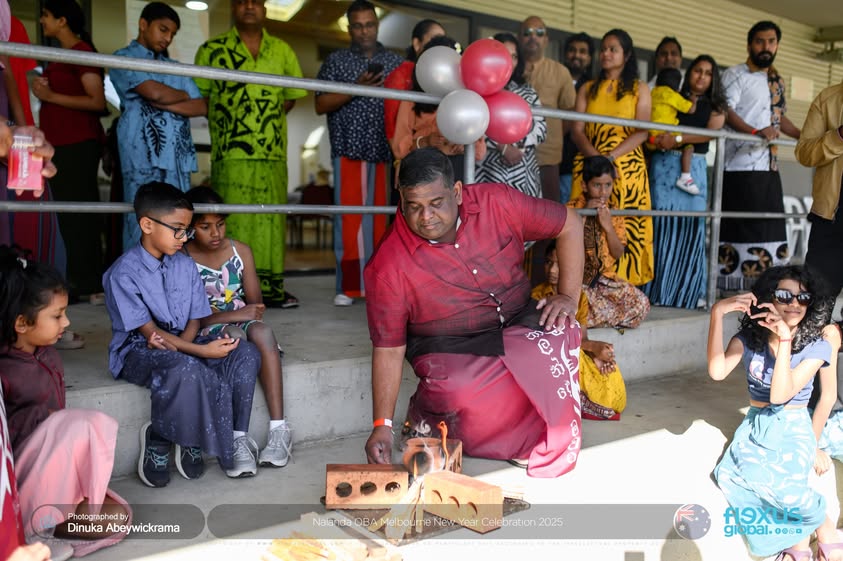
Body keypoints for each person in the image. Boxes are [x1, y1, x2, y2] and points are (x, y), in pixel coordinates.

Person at [363, 148, 584, 478]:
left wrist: (568, 296)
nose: (426, 217)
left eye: (436, 203)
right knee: (459, 387)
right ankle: (425, 421)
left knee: (559, 333)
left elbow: (570, 223)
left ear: (457, 192)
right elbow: (389, 349)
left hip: (516, 321)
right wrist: (382, 425)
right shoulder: (388, 265)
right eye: (414, 207)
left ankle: (534, 424)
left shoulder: (498, 202)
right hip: (449, 345)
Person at [103, 182, 261, 487]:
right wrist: (200, 352)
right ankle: (161, 437)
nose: (184, 238)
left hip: (185, 340)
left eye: (187, 230)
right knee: (185, 366)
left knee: (245, 352)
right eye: (177, 229)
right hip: (139, 350)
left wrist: (191, 346)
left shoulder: (185, 265)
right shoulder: (123, 273)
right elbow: (149, 332)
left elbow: (195, 318)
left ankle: (223, 438)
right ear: (147, 225)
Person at [0, 245, 130, 556]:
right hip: (20, 479)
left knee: (118, 518)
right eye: (57, 315)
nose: (67, 323)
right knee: (84, 423)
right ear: (21, 324)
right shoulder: (4, 369)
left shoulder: (49, 356)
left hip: (54, 472)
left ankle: (46, 526)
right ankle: (30, 528)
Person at [708, 265, 843, 561]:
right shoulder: (749, 340)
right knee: (737, 476)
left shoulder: (816, 347)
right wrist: (717, 312)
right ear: (768, 298)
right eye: (784, 296)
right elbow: (717, 371)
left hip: (794, 427)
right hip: (757, 426)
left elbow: (782, 395)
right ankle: (801, 539)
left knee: (786, 487)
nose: (794, 304)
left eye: (803, 298)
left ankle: (820, 523)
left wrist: (784, 341)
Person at [194, 0, 307, 309]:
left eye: (256, 1)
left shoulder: (282, 50)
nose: (249, 6)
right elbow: (201, 97)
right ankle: (231, 293)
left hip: (272, 155)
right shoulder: (211, 50)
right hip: (230, 154)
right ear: (233, 7)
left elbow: (291, 98)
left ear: (265, 9)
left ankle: (270, 291)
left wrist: (261, 122)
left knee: (271, 220)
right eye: (242, 1)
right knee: (234, 221)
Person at [183, 187, 292, 468]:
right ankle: (237, 438)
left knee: (263, 332)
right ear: (190, 226)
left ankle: (279, 431)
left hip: (242, 320)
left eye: (220, 224)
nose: (215, 233)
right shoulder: (182, 259)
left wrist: (243, 314)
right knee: (235, 336)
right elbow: (186, 319)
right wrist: (233, 316)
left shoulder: (240, 251)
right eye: (205, 227)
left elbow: (256, 307)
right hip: (207, 329)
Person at [315, 0, 403, 307]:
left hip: (383, 151)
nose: (364, 30)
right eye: (358, 25)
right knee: (349, 221)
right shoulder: (336, 61)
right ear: (349, 27)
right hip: (349, 148)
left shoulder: (393, 62)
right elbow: (320, 104)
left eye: (369, 24)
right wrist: (357, 87)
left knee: (380, 223)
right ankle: (349, 286)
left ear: (376, 25)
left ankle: (377, 285)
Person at [110, 1, 206, 251]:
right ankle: (137, 288)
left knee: (178, 221)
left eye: (172, 34)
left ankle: (172, 285)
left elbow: (201, 106)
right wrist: (176, 96)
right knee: (141, 221)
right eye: (163, 29)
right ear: (143, 24)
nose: (168, 38)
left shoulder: (176, 67)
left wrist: (162, 101)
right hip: (140, 153)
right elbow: (152, 91)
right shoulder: (124, 57)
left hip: (176, 157)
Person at [31, 0, 106, 307]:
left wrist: (51, 96)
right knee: (65, 215)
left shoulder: (81, 52)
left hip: (77, 144)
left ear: (62, 20)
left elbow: (97, 101)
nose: (41, 20)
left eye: (46, 16)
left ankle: (86, 283)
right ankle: (73, 281)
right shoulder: (61, 56)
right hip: (60, 146)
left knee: (79, 215)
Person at [719, 21, 801, 291]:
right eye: (760, 41)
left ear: (777, 45)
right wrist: (756, 131)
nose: (766, 47)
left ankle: (768, 288)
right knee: (742, 230)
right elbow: (727, 112)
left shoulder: (776, 80)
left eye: (771, 41)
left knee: (770, 229)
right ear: (749, 44)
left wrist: (802, 134)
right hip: (739, 167)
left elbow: (777, 119)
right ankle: (734, 289)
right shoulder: (735, 74)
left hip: (769, 166)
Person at [570, 29, 653, 287]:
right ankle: (582, 280)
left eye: (613, 49)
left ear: (626, 55)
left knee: (624, 224)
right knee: (583, 218)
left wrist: (610, 157)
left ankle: (624, 286)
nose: (606, 53)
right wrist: (596, 159)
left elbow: (643, 131)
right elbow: (577, 130)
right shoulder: (587, 88)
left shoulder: (639, 89)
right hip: (589, 163)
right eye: (603, 49)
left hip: (626, 166)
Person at [647, 55, 727, 309]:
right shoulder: (671, 95)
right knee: (661, 225)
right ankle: (657, 292)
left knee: (689, 228)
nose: (701, 76)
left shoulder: (716, 106)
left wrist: (678, 139)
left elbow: (711, 133)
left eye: (707, 73)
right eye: (697, 71)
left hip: (694, 168)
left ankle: (685, 294)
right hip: (664, 165)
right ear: (688, 73)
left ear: (713, 79)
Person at [532, 242, 626, 421]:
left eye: (559, 264)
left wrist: (596, 353)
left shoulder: (579, 297)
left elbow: (581, 339)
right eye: (548, 262)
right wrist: (592, 347)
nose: (552, 269)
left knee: (610, 379)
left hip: (573, 351)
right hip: (549, 358)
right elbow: (544, 341)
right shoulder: (537, 296)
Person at [390, 36, 486, 183]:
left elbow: (479, 152)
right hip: (422, 164)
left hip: (456, 167)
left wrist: (466, 144)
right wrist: (425, 141)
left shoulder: (465, 98)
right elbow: (399, 149)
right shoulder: (412, 100)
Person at [569, 156, 650, 328]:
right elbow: (564, 248)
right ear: (584, 185)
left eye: (608, 185)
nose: (603, 192)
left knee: (641, 304)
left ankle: (587, 318)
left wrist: (608, 227)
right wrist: (584, 216)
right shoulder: (571, 209)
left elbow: (618, 253)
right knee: (580, 300)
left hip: (604, 281)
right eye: (597, 185)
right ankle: (587, 316)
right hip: (576, 281)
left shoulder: (613, 212)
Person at [475, 32, 546, 200]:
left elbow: (541, 129)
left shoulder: (527, 91)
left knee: (524, 223)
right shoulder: (477, 88)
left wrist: (518, 148)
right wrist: (503, 147)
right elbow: (473, 126)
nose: (509, 61)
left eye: (514, 56)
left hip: (524, 173)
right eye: (504, 54)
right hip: (487, 171)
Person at [796, 79, 843, 299]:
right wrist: (838, 136)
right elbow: (804, 153)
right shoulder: (828, 99)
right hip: (830, 219)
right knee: (816, 304)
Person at [383, 18, 445, 141]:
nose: (440, 45)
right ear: (417, 44)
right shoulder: (402, 74)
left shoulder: (442, 76)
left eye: (442, 40)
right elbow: (391, 122)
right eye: (435, 39)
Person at [647, 68, 697, 195]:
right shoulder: (672, 95)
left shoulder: (652, 92)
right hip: (668, 136)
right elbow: (690, 110)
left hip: (650, 138)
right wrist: (693, 100)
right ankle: (685, 178)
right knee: (689, 146)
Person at [559, 32, 594, 204]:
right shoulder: (556, 78)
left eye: (582, 51)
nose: (577, 55)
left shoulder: (594, 86)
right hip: (553, 158)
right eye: (572, 50)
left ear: (589, 57)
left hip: (581, 162)